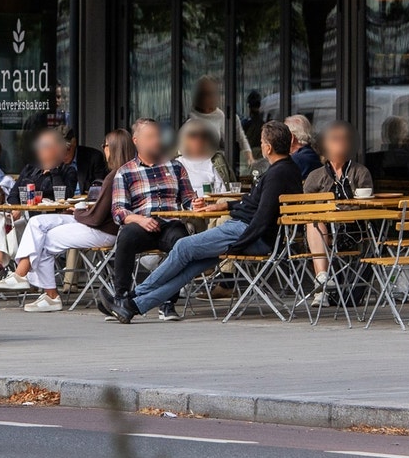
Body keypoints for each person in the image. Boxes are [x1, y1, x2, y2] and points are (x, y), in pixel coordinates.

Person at [101, 120, 303, 324]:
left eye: (261, 142)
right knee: (190, 268)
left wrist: (236, 246)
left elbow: (261, 219)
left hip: (244, 234)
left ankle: (130, 297)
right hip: (247, 234)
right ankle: (133, 307)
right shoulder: (287, 170)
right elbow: (255, 205)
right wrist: (225, 207)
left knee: (182, 247)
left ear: (268, 148)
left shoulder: (277, 174)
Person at [0, 129, 133, 312]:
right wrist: (81, 210)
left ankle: (46, 292)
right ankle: (24, 278)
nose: (103, 149)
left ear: (114, 148)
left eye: (105, 145)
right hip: (97, 224)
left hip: (103, 230)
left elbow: (98, 216)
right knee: (36, 224)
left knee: (43, 238)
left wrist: (76, 212)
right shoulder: (121, 173)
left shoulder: (115, 176)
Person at [0, 129, 78, 308]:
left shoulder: (67, 171)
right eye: (39, 146)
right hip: (25, 220)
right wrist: (16, 209)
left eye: (45, 146)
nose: (40, 150)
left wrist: (53, 171)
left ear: (58, 149)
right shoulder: (30, 169)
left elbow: (65, 195)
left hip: (49, 225)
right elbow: (13, 195)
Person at [109, 119, 195, 300]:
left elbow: (188, 200)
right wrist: (140, 219)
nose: (156, 141)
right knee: (125, 236)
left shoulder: (175, 166)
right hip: (142, 225)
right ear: (136, 140)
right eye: (150, 137)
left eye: (157, 136)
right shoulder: (124, 172)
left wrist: (198, 204)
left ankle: (168, 302)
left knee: (181, 242)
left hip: (170, 224)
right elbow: (118, 211)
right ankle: (121, 297)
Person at [303, 121, 375, 306]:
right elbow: (305, 206)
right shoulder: (315, 176)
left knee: (316, 224)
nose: (341, 143)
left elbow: (366, 206)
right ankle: (322, 280)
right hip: (322, 231)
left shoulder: (360, 172)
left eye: (345, 139)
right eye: (335, 139)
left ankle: (322, 289)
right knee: (314, 222)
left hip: (352, 231)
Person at [187, 75, 253, 176]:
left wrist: (249, 158)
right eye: (203, 93)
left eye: (210, 94)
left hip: (220, 166)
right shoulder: (189, 117)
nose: (206, 98)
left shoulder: (227, 117)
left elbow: (241, 139)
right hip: (195, 166)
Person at [174, 122, 228, 197]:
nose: (199, 140)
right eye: (193, 135)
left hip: (210, 205)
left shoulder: (214, 161)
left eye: (203, 136)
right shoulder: (176, 164)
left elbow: (223, 191)